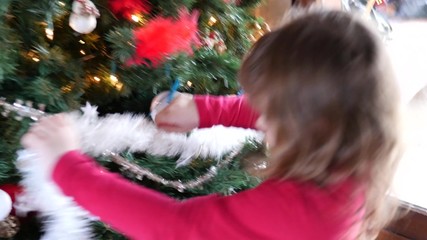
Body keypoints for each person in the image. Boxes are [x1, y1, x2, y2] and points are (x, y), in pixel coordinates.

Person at [21, 10, 402, 240]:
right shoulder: (355, 145)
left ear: (313, 123)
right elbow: (271, 110)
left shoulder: (301, 209)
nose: (261, 119)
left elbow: (173, 228)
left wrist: (67, 166)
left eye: (273, 113)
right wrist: (206, 110)